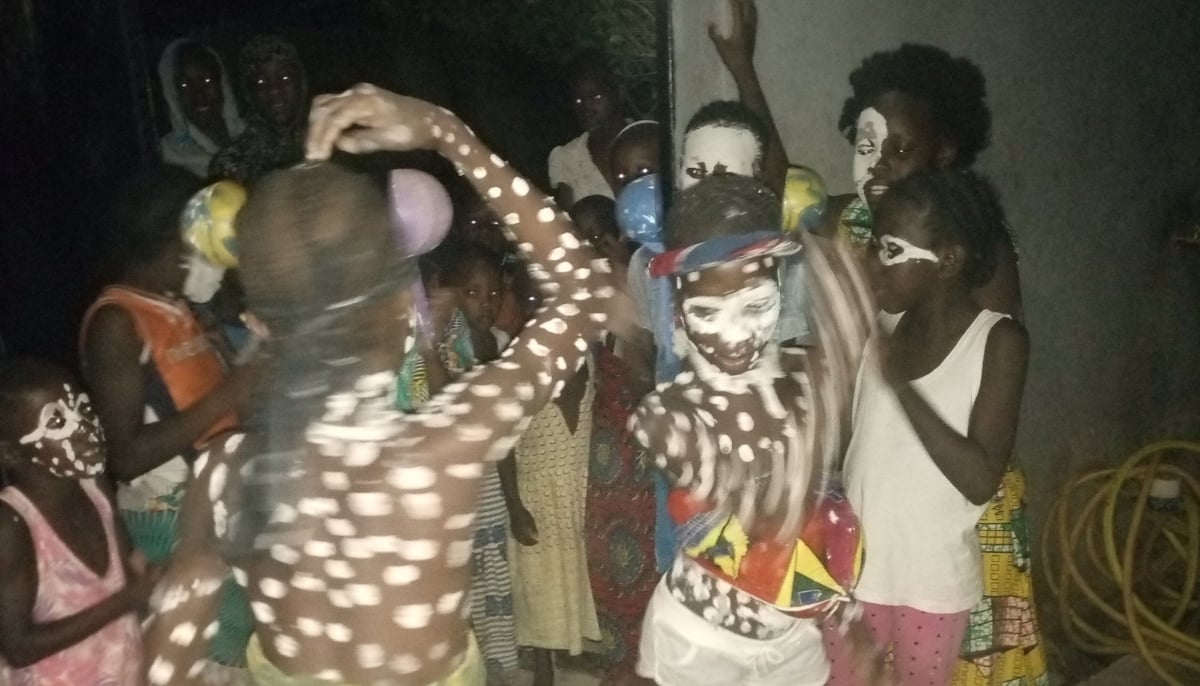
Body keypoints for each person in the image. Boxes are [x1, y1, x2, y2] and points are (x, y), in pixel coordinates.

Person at [139, 84, 627, 686]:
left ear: (258, 325)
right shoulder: (445, 449)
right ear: (405, 306)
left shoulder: (222, 476)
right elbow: (585, 287)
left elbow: (168, 661)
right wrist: (452, 136)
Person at [629, 175, 880, 686]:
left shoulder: (807, 383)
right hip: (699, 646)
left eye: (756, 305)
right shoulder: (665, 417)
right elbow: (753, 533)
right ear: (678, 307)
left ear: (781, 288)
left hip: (794, 645)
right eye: (707, 312)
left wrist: (847, 618)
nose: (735, 333)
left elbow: (819, 514)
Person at [827, 169, 1031, 686]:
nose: (874, 263)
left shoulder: (998, 342)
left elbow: (980, 478)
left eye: (890, 251)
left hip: (932, 584)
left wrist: (901, 388)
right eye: (874, 246)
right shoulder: (883, 330)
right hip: (856, 571)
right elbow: (855, 450)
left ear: (948, 261)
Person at [79, 165, 258, 674]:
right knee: (215, 656)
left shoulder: (175, 306)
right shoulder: (117, 321)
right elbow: (125, 455)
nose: (218, 260)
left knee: (239, 644)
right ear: (174, 242)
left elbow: (213, 404)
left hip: (211, 502)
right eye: (207, 244)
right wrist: (234, 387)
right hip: (168, 517)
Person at [817, 43, 1021, 319]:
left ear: (943, 153)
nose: (878, 165)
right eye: (866, 148)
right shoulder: (856, 218)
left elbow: (997, 347)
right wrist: (744, 69)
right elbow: (783, 191)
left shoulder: (975, 237)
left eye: (901, 150)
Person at [401, 241, 526, 684]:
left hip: (484, 494)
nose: (486, 304)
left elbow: (492, 421)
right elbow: (441, 409)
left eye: (493, 294)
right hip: (440, 503)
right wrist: (429, 346)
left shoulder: (491, 345)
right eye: (472, 293)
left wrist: (514, 503)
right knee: (453, 595)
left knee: (491, 592)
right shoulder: (410, 353)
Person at [0, 359, 159, 686]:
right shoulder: (12, 526)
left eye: (83, 409)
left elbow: (128, 566)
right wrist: (125, 602)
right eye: (57, 422)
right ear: (12, 454)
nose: (84, 428)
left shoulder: (94, 484)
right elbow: (18, 647)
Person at [566, 197, 655, 684]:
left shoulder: (649, 289)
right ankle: (619, 666)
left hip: (641, 471)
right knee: (606, 579)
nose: (590, 248)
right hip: (601, 473)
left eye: (598, 236)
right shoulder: (579, 300)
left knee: (643, 583)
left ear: (622, 238)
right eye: (581, 238)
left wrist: (631, 321)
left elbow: (654, 384)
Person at [209, 35, 308, 186]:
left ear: (301, 82)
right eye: (261, 82)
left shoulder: (335, 138)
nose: (274, 90)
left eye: (285, 77)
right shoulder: (231, 165)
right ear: (249, 94)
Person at [548, 51, 626, 208]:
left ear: (619, 92)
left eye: (596, 97)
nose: (586, 108)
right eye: (578, 100)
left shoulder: (649, 140)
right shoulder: (567, 158)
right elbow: (570, 226)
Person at [157, 39, 244, 179]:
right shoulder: (168, 155)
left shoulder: (251, 135)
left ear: (222, 84)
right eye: (185, 85)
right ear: (173, 93)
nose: (198, 93)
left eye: (206, 81)